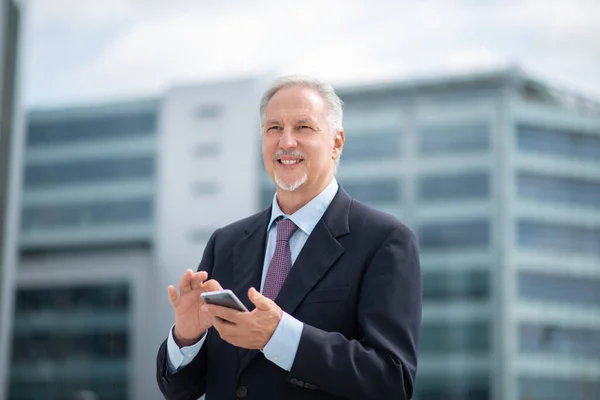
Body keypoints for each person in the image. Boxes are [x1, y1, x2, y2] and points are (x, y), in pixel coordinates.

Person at [156, 75, 422, 400]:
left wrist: (280, 336)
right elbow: (180, 391)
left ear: (336, 143)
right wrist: (186, 338)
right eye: (274, 128)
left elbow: (391, 381)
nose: (286, 142)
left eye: (303, 127)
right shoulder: (225, 243)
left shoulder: (385, 241)